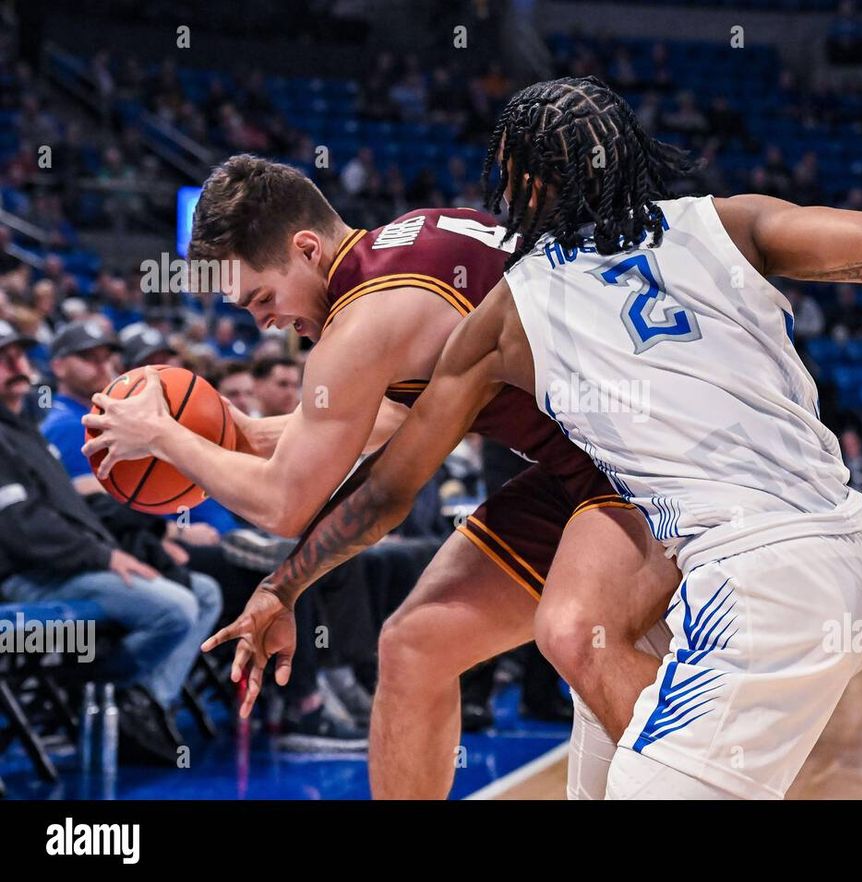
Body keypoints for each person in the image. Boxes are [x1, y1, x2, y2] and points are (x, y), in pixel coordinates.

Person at [203, 77, 862, 799]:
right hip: (850, 549)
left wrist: (283, 585)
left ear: (520, 185)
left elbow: (381, 495)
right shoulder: (726, 225)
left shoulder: (511, 313)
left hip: (754, 584)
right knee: (589, 693)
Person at [80, 155, 678, 798]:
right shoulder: (415, 239)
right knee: (415, 644)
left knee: (586, 645)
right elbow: (399, 412)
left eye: (261, 297)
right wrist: (251, 436)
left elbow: (283, 505)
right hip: (592, 457)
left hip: (645, 464)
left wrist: (162, 435)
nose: (262, 321)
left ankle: (721, 773)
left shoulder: (363, 321)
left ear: (305, 248)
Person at [0, 320, 220, 764]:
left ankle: (142, 700)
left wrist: (131, 549)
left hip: (73, 565)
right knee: (173, 608)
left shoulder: (23, 427)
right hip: (28, 576)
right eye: (4, 360)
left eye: (20, 356)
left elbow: (77, 511)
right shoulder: (43, 426)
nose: (17, 367)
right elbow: (21, 528)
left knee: (205, 592)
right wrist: (104, 555)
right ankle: (91, 687)